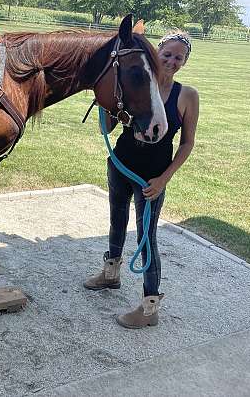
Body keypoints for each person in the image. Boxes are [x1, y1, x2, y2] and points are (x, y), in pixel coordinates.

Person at [84, 31, 200, 329]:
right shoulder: (133, 83)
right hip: (121, 163)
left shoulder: (186, 96)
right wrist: (104, 99)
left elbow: (187, 143)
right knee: (117, 220)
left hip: (151, 177)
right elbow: (106, 128)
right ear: (155, 52)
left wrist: (163, 179)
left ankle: (150, 309)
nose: (171, 61)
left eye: (179, 57)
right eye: (167, 54)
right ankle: (111, 274)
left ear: (185, 62)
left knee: (147, 238)